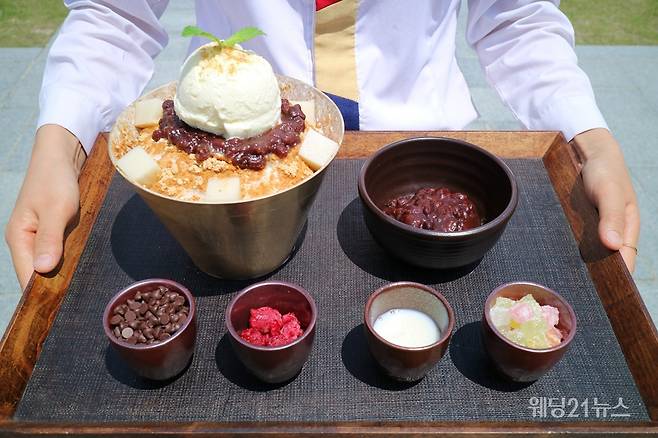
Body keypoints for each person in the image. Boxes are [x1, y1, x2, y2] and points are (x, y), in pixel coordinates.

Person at [5, 0, 639, 290]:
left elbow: (517, 15)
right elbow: (115, 12)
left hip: (422, 159)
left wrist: (587, 138)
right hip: (227, 176)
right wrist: (60, 145)